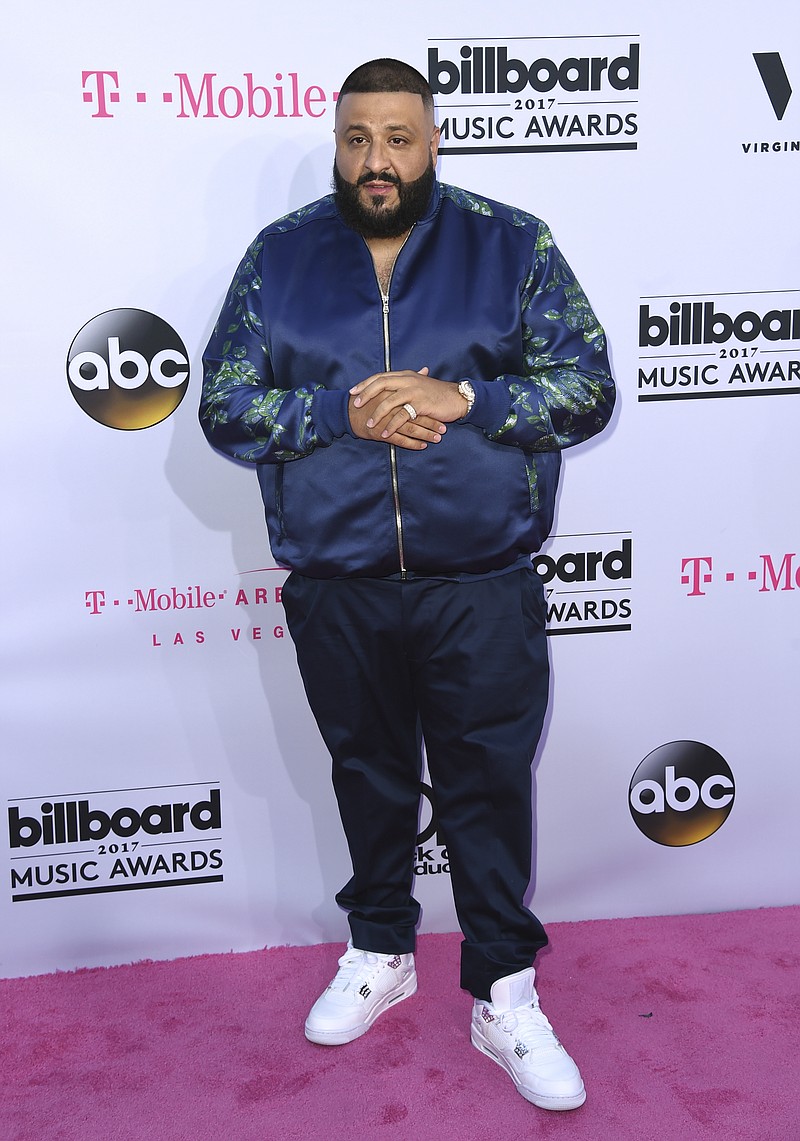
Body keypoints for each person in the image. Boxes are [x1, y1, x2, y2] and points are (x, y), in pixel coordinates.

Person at [200, 58, 615, 1113]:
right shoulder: (280, 256)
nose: (375, 162)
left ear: (431, 142)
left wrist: (462, 396)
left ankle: (503, 989)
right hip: (338, 582)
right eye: (355, 141)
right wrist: (342, 413)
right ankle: (379, 948)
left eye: (397, 139)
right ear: (335, 143)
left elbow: (586, 386)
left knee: (485, 783)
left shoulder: (508, 243)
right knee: (367, 773)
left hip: (479, 580)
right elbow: (226, 409)